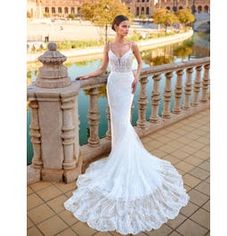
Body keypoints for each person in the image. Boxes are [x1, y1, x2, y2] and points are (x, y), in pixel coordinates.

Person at [64, 15, 190, 235]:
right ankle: (118, 156)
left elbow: (141, 63)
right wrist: (85, 75)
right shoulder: (108, 45)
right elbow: (102, 68)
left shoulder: (134, 44)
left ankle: (124, 159)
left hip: (126, 84)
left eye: (128, 26)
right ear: (115, 27)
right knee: (118, 122)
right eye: (124, 26)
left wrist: (136, 77)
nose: (127, 29)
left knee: (124, 122)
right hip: (113, 84)